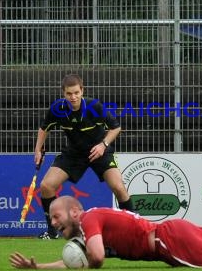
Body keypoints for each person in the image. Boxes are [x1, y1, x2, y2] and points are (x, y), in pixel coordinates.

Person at [9, 178, 202, 269]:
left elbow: (97, 257)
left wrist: (87, 263)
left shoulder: (91, 219)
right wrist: (39, 267)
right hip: (174, 231)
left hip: (167, 242)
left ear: (75, 212)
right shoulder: (88, 226)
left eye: (56, 216)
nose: (53, 222)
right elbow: (81, 256)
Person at [34, 73, 133, 239]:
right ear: (63, 93)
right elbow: (44, 129)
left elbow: (115, 128)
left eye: (76, 93)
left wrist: (103, 145)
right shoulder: (57, 109)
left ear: (82, 91)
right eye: (69, 94)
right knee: (46, 186)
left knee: (118, 187)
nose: (73, 97)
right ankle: (52, 233)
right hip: (74, 153)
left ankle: (133, 229)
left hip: (99, 151)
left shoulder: (94, 107)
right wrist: (38, 150)